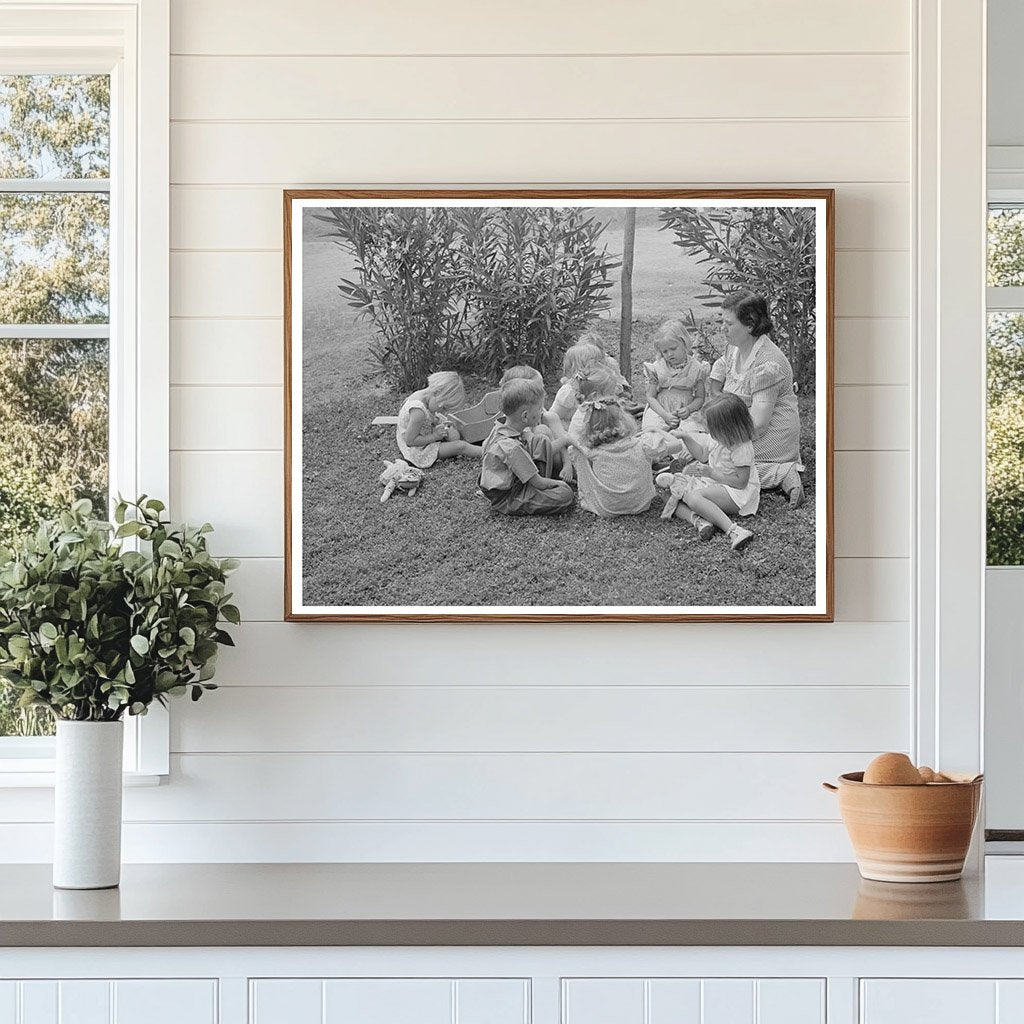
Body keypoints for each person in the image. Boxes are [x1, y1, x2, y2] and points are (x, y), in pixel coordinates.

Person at [719, 291, 805, 507]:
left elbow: (759, 424)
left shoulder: (768, 362)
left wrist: (721, 436)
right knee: (709, 452)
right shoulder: (734, 349)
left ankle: (784, 472)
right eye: (722, 322)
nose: (722, 329)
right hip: (741, 427)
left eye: (729, 323)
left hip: (771, 434)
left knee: (723, 462)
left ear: (749, 325)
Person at [662, 393, 760, 550]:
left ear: (726, 428)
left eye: (709, 426)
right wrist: (685, 437)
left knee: (694, 497)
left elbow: (741, 482)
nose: (706, 428)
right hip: (715, 483)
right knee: (670, 494)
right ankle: (699, 521)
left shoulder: (741, 448)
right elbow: (702, 455)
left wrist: (711, 473)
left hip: (735, 493)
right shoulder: (716, 438)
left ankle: (735, 531)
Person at [479, 378, 574, 516]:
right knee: (565, 495)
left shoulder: (501, 426)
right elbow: (538, 482)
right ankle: (520, 502)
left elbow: (537, 445)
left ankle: (545, 485)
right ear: (525, 416)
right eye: (539, 409)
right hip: (510, 494)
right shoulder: (511, 448)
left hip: (519, 477)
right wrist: (560, 484)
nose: (542, 412)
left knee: (541, 440)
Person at [570, 398, 657, 518]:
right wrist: (657, 431)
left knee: (576, 451)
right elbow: (676, 446)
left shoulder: (593, 451)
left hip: (608, 508)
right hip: (641, 504)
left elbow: (573, 440)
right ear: (623, 420)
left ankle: (590, 495)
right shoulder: (640, 443)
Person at [396, 370, 482, 468]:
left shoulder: (422, 396)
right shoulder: (418, 412)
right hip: (417, 450)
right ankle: (487, 451)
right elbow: (410, 441)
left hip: (421, 436)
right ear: (436, 393)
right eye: (444, 407)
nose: (442, 412)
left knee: (454, 435)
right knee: (460, 446)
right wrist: (434, 436)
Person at [641, 319, 707, 432]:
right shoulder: (657, 367)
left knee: (692, 431)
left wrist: (689, 409)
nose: (670, 354)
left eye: (673, 349)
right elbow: (650, 397)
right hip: (661, 410)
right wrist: (664, 415)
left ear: (684, 343)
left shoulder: (696, 368)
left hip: (685, 411)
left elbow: (700, 397)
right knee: (652, 430)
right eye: (665, 351)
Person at [550, 339, 608, 428]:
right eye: (597, 363)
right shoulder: (568, 392)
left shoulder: (591, 387)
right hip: (565, 431)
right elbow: (553, 417)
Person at [499, 364, 565, 440]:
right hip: (529, 450)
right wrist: (564, 441)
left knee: (551, 418)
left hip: (544, 446)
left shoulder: (537, 410)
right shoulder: (515, 422)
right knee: (542, 430)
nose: (543, 393)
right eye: (537, 391)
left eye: (542, 388)